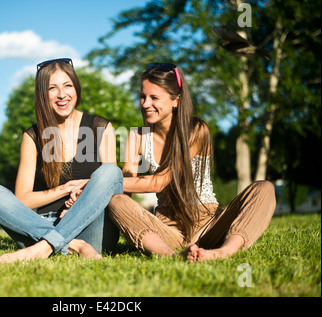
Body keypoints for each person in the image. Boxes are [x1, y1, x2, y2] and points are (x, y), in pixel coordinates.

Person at [106, 62, 276, 262]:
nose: (145, 104)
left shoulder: (196, 130)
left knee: (264, 188)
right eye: (143, 97)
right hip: (167, 229)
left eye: (154, 98)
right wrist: (100, 194)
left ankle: (224, 251)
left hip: (209, 222)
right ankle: (173, 255)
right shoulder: (137, 136)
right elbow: (126, 187)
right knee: (116, 200)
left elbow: (161, 181)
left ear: (176, 100)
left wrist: (101, 183)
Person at [0, 58, 123, 263]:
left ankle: (44, 247)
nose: (62, 94)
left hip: (92, 227)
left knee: (111, 171)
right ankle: (72, 245)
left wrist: (83, 192)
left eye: (68, 85)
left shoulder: (100, 127)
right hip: (43, 225)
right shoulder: (32, 136)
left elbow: (110, 183)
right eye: (52, 88)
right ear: (42, 94)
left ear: (76, 88)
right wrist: (65, 189)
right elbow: (23, 200)